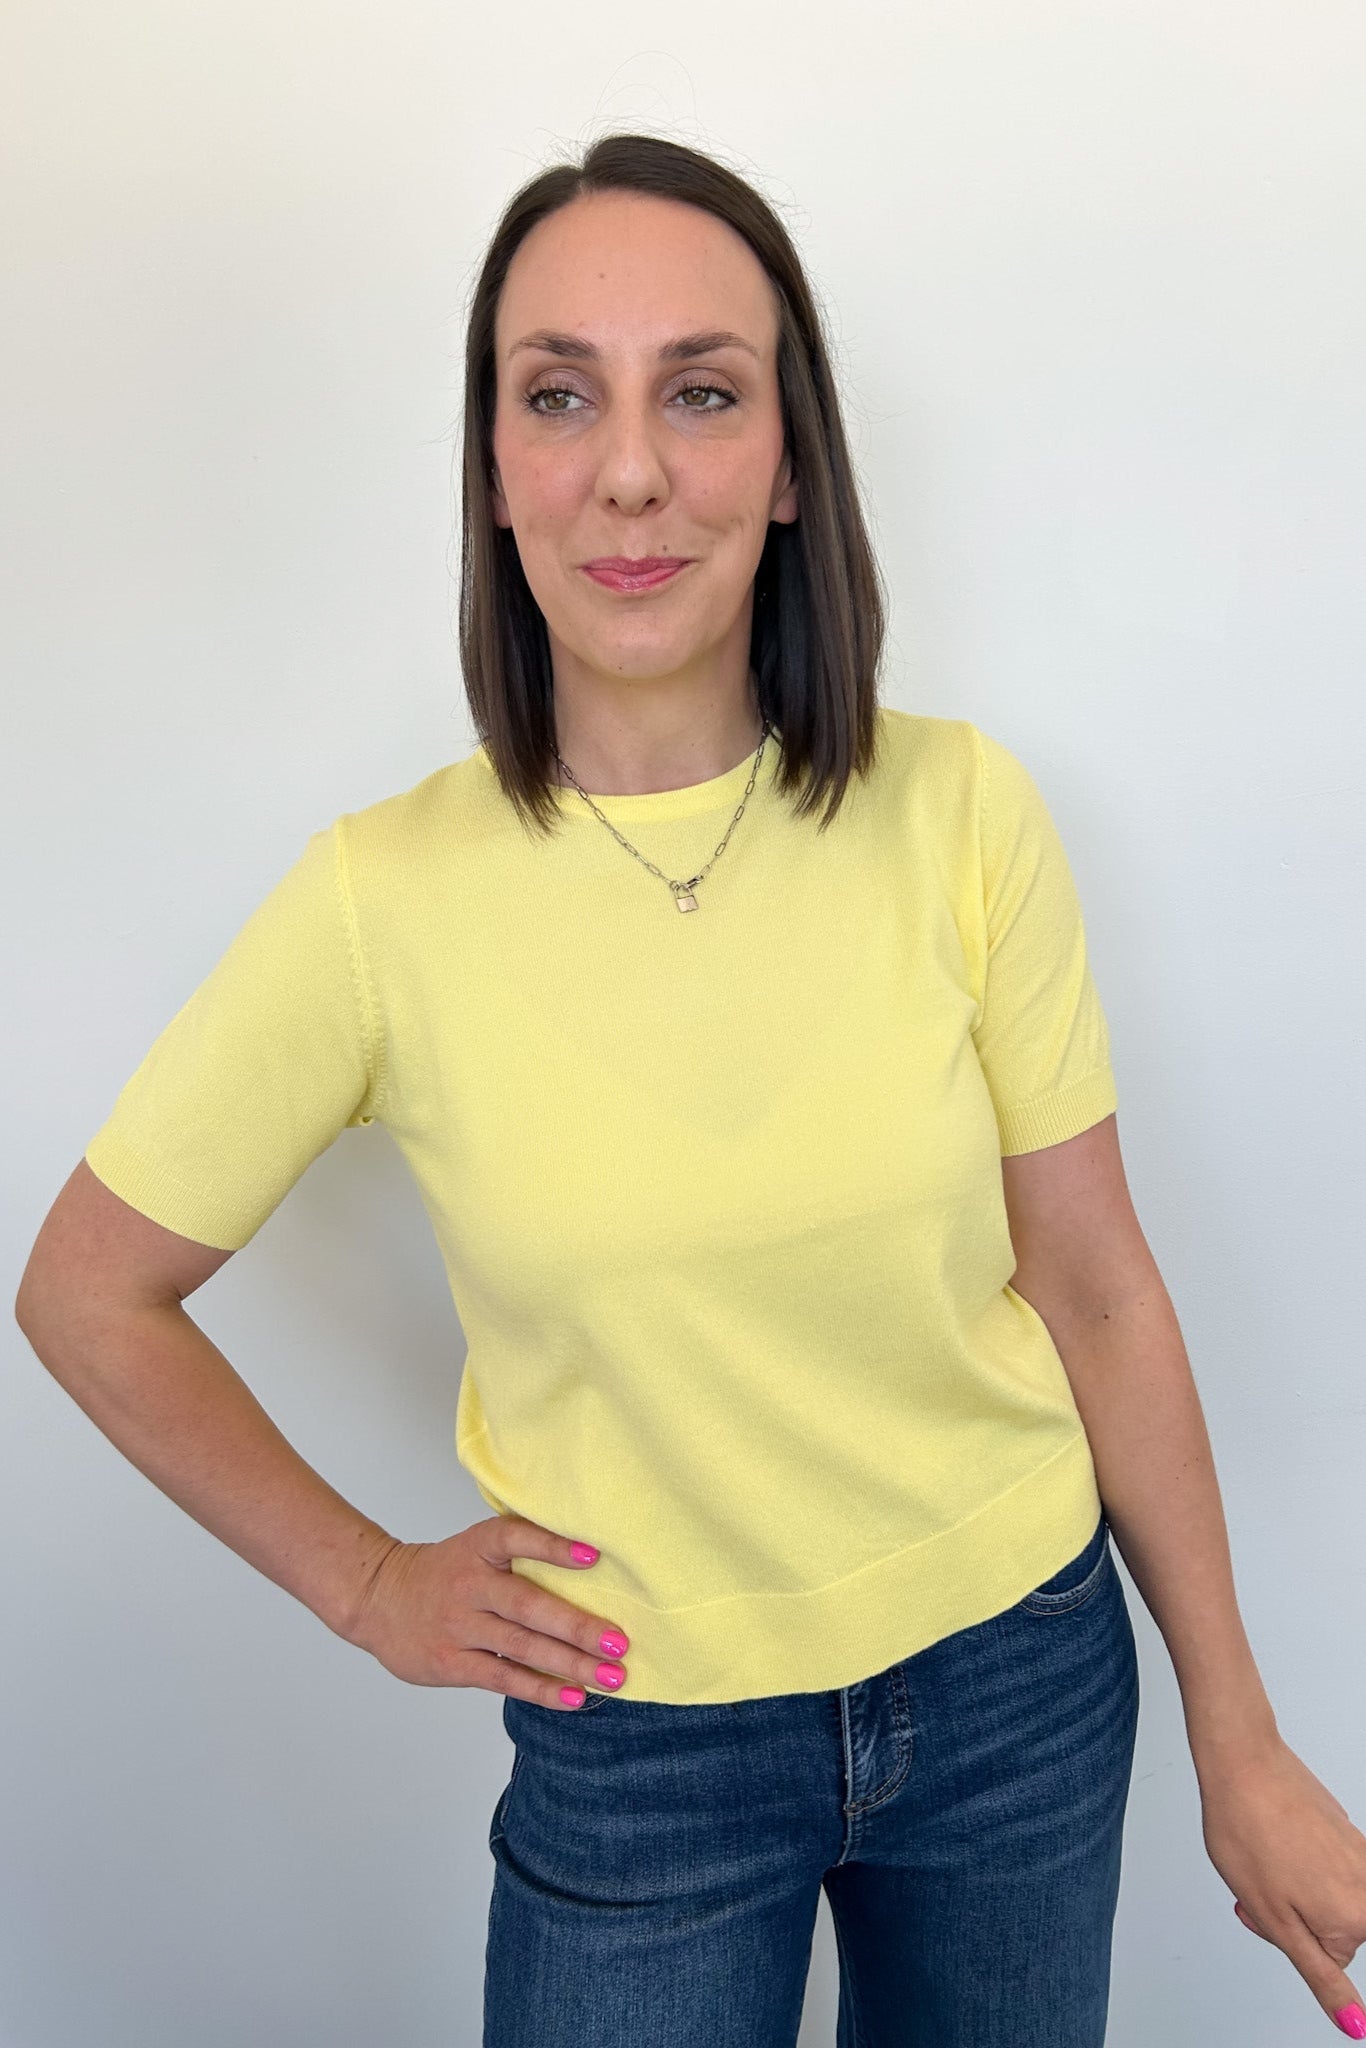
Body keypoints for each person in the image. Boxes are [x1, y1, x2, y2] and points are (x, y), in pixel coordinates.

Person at [14, 131, 1366, 2048]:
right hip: (635, 1745)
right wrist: (368, 1582)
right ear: (494, 470)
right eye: (558, 395)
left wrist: (1243, 1739)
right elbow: (84, 1287)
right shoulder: (376, 902)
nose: (630, 469)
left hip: (1021, 1688)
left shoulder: (963, 815)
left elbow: (1094, 1285)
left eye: (701, 394)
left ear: (790, 460)